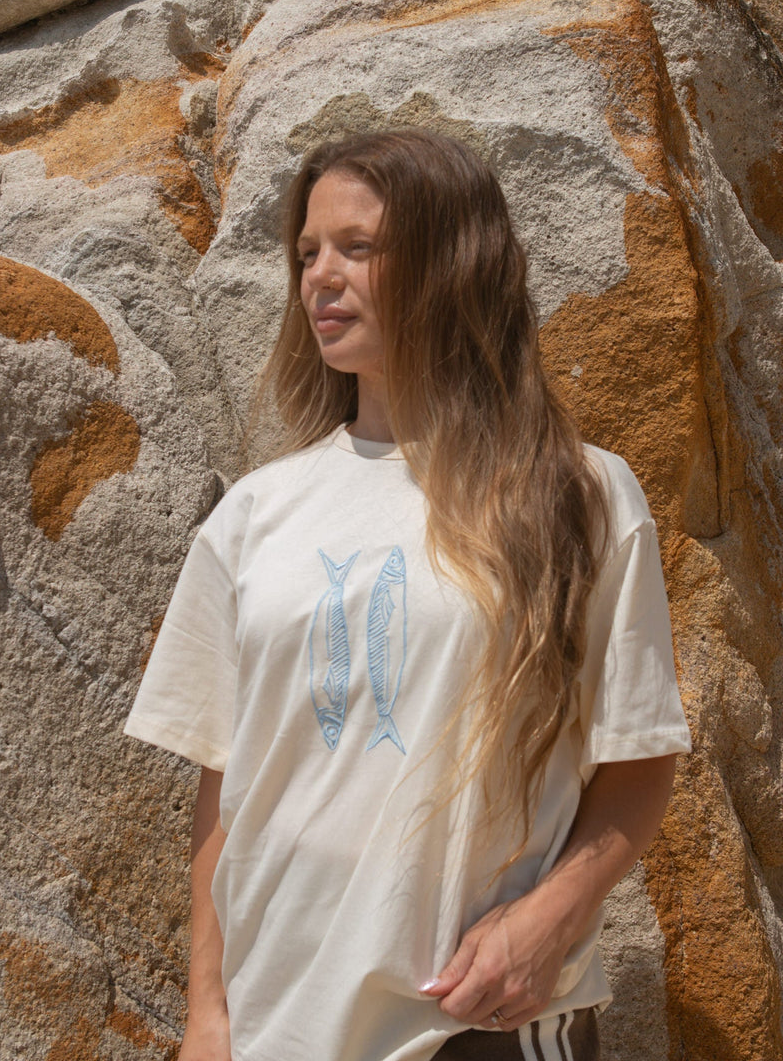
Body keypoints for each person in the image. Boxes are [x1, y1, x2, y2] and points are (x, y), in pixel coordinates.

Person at [124, 128, 691, 1061]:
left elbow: (638, 754)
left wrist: (550, 919)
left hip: (474, 1025)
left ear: (453, 261)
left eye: (358, 247)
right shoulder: (256, 514)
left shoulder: (574, 494)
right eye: (307, 252)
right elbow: (228, 785)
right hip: (277, 1030)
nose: (320, 276)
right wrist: (208, 1016)